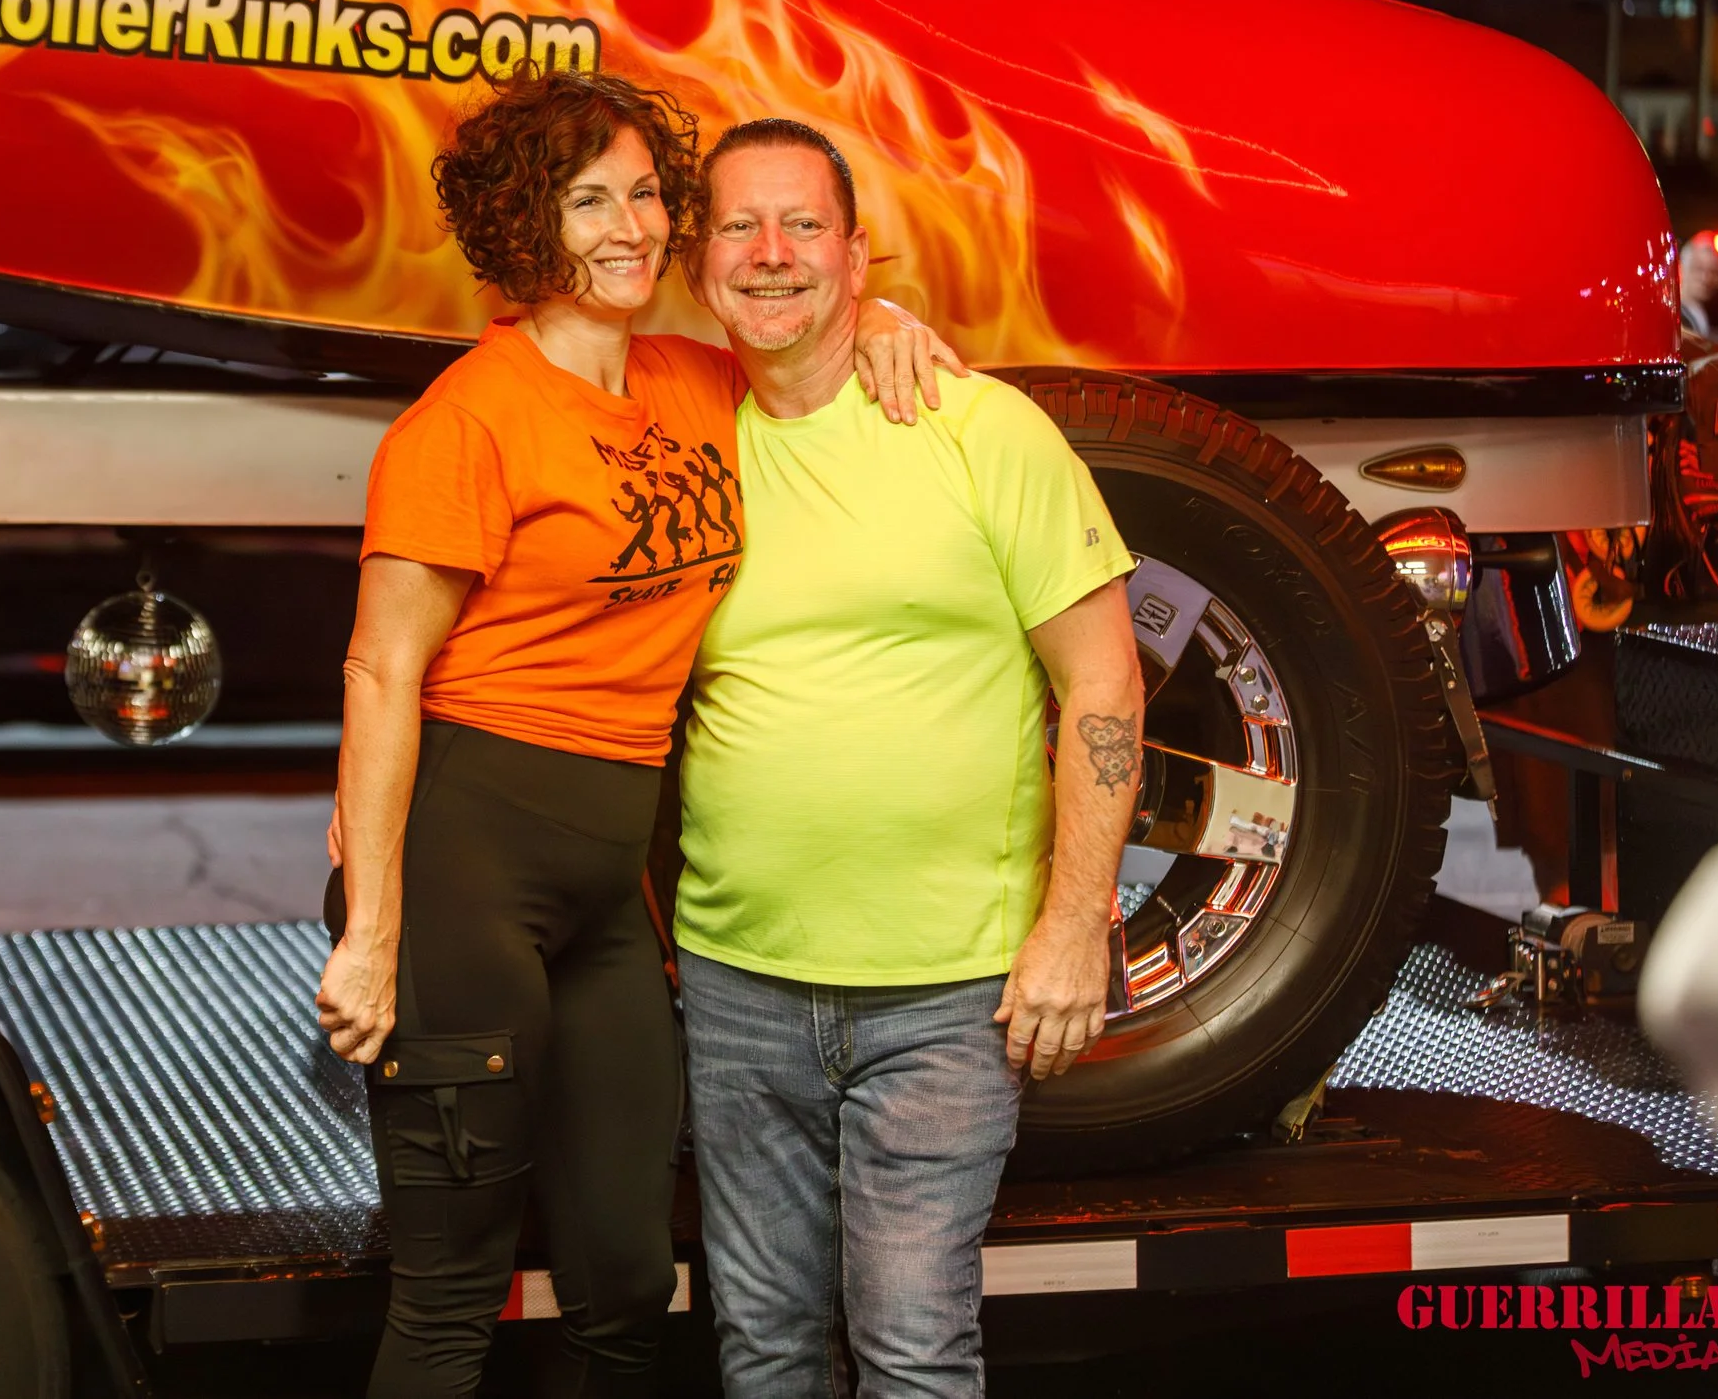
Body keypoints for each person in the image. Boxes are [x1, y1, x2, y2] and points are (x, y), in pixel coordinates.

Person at [313, 71, 964, 1399]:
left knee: (625, 1278)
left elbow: (809, 328)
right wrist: (372, 933)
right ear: (521, 226)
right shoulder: (468, 418)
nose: (631, 227)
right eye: (589, 199)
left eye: (651, 196)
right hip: (466, 865)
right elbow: (383, 668)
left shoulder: (690, 379)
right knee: (450, 1292)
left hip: (616, 883)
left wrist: (886, 313)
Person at [675, 119, 1144, 1398]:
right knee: (761, 1352)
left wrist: (1071, 921)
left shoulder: (975, 427)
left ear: (855, 250)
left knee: (911, 1350)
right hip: (734, 984)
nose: (771, 255)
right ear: (693, 259)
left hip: (946, 996)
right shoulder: (673, 430)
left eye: (804, 226)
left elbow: (1101, 680)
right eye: (736, 226)